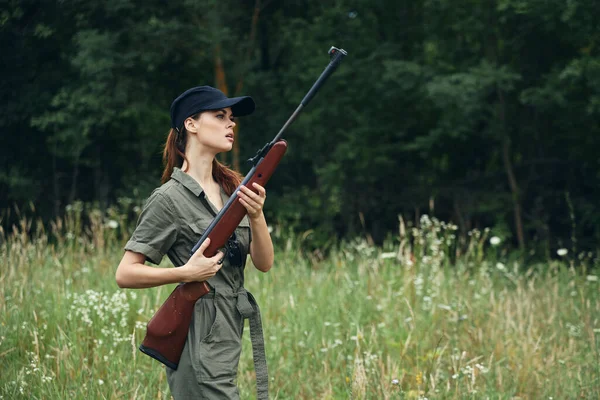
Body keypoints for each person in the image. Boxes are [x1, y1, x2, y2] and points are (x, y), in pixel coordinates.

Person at [115, 86, 273, 399]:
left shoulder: (234, 191)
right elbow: (126, 273)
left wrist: (256, 216)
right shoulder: (167, 199)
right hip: (198, 328)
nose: (231, 124)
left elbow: (264, 263)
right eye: (220, 116)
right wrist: (185, 273)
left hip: (229, 326)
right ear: (191, 124)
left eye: (231, 118)